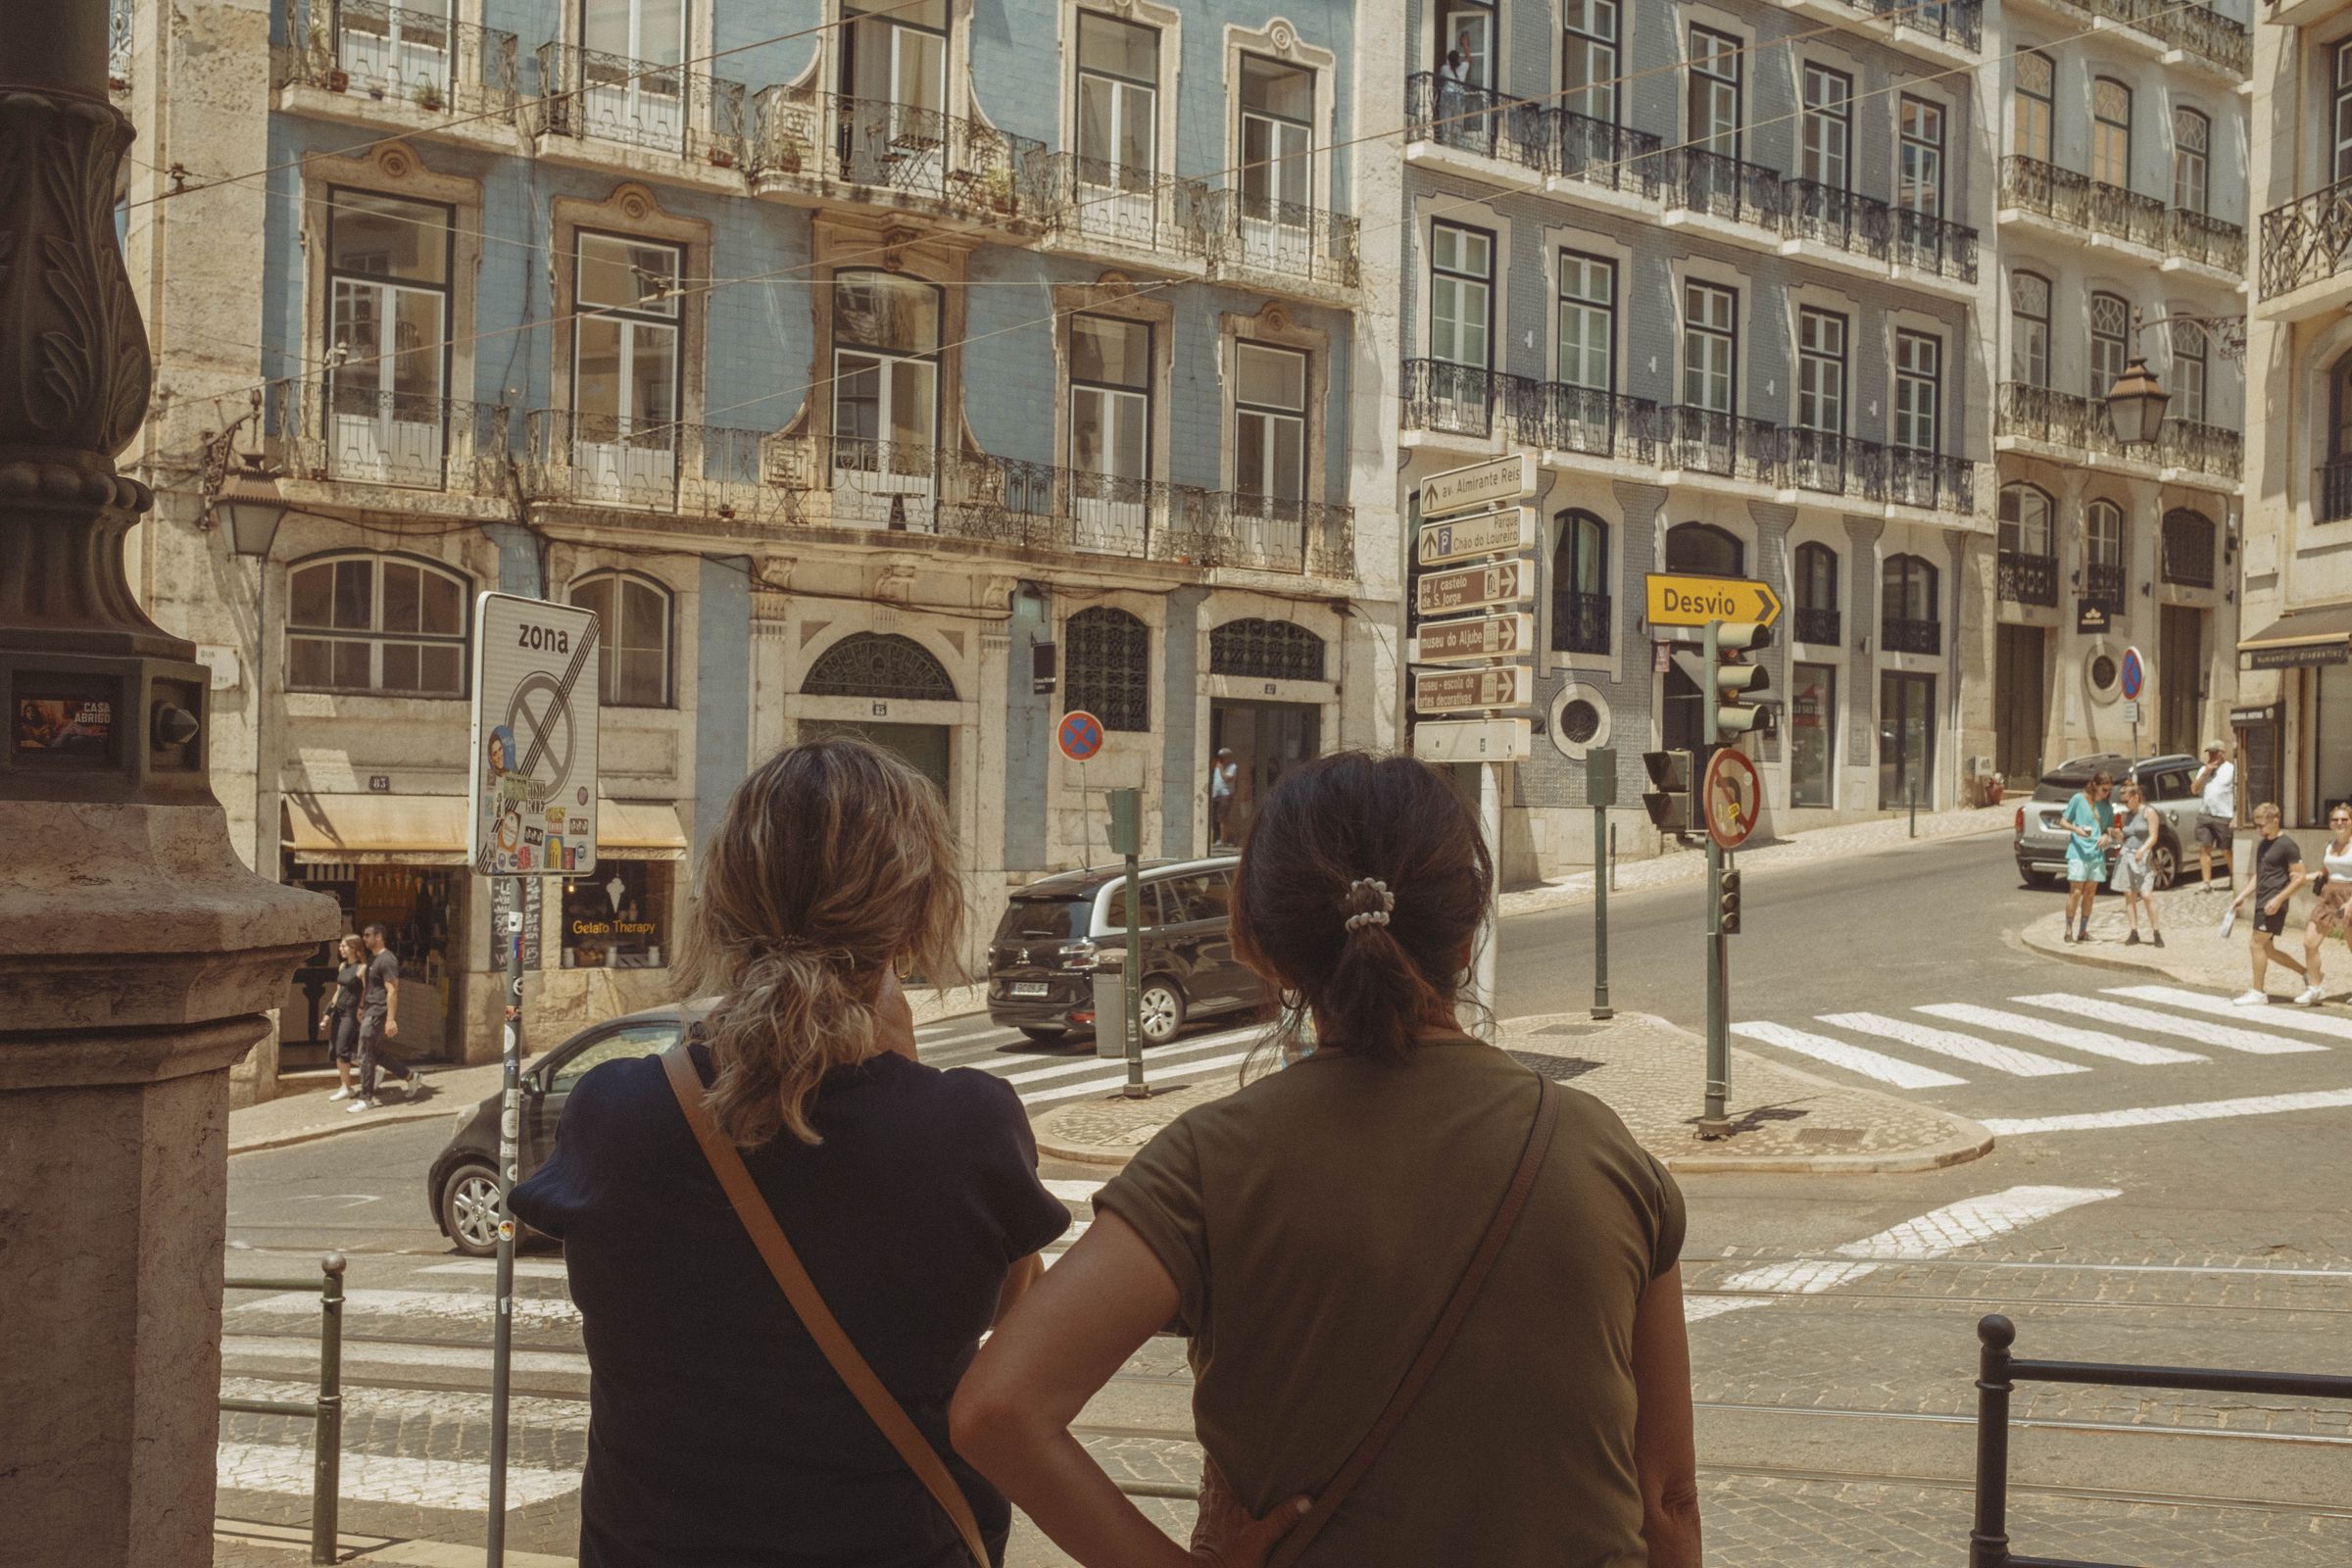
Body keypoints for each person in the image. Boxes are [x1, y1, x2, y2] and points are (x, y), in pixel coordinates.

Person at [953, 752, 1700, 1568]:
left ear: (1262, 947)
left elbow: (998, 1411)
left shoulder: (1209, 1165)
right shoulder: (1602, 1150)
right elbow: (1665, 1501)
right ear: (1468, 930)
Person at [508, 738, 1068, 1568]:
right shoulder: (968, 1128)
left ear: (726, 900)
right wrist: (906, 1080)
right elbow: (1021, 1340)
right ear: (916, 915)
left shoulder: (613, 1115)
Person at [2229, 803, 2309, 1005]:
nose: (2259, 830)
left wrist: (2279, 899)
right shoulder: (2264, 844)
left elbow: (2299, 877)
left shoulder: (2288, 845)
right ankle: (2308, 974)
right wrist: (2243, 896)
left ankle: (2258, 992)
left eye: (2262, 825)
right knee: (2268, 949)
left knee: (2256, 943)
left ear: (2275, 820)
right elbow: (2260, 874)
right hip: (2262, 901)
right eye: (2256, 825)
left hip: (2274, 902)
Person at [349, 921, 422, 1112]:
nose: (364, 939)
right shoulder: (372, 959)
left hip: (378, 1013)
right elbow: (370, 987)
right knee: (376, 1053)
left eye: (367, 935)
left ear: (379, 936)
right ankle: (410, 1077)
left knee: (365, 1054)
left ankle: (366, 1098)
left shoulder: (387, 960)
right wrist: (362, 1005)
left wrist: (390, 1019)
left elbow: (392, 990)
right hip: (369, 1010)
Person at [2293, 804, 2352, 1006]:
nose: (2340, 823)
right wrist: (2301, 879)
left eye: (2344, 819)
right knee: (2310, 942)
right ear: (2330, 823)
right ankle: (2315, 988)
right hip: (2329, 896)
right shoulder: (2329, 845)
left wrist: (2350, 903)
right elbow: (2324, 873)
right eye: (2336, 820)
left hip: (2350, 896)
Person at [2107, 779, 2165, 949]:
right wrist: (2117, 835)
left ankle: (2156, 932)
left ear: (2136, 796)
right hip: (2127, 855)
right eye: (2123, 801)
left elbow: (2153, 836)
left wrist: (2143, 849)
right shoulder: (2127, 815)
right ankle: (2134, 931)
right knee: (2129, 894)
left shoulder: (2148, 812)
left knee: (2146, 895)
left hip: (2142, 857)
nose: (2125, 804)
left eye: (2127, 800)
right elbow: (2126, 836)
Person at [2060, 770, 2117, 944]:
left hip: (2096, 854)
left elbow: (2109, 827)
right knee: (2076, 891)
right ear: (2095, 786)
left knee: (2090, 893)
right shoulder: (2078, 799)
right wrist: (2076, 830)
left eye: (2109, 790)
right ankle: (2068, 929)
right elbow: (2063, 821)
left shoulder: (2107, 807)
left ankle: (2083, 931)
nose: (2106, 793)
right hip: (2078, 851)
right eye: (2104, 789)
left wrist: (2107, 836)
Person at [320, 934, 368, 1102]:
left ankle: (347, 1087)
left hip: (351, 1013)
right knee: (335, 1051)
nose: (340, 949)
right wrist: (327, 1014)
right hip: (339, 1012)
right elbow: (338, 992)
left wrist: (361, 1009)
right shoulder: (342, 966)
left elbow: (366, 992)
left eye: (343, 946)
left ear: (354, 948)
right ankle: (366, 1066)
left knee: (342, 1049)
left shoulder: (362, 968)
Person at [2192, 740, 2236, 888]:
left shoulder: (2231, 769)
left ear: (2221, 754)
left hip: (2224, 815)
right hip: (2206, 814)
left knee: (2226, 850)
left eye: (2214, 753)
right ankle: (2206, 882)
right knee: (2204, 848)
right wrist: (2205, 773)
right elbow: (2195, 789)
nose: (2211, 756)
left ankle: (2233, 876)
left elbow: (2238, 793)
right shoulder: (2204, 770)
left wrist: (2235, 815)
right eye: (2209, 753)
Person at [1210, 748, 1239, 848]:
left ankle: (1223, 840)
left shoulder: (1232, 767)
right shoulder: (1217, 767)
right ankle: (1223, 837)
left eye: (1223, 757)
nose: (1221, 759)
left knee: (1223, 818)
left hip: (1225, 794)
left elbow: (1228, 779)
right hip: (1216, 794)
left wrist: (1221, 769)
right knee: (1218, 818)